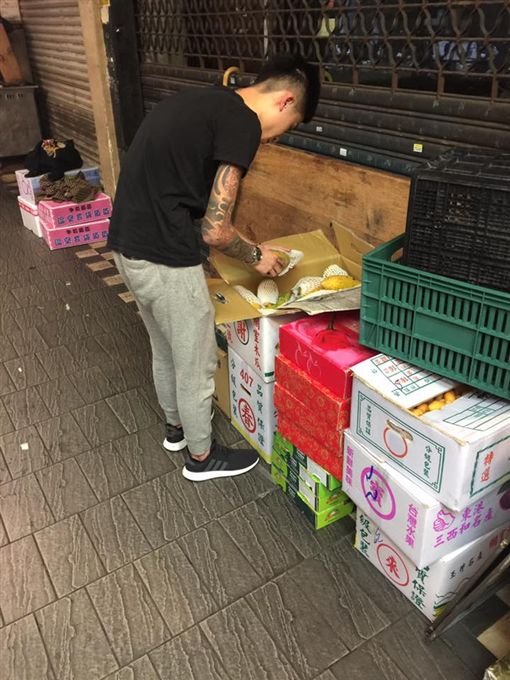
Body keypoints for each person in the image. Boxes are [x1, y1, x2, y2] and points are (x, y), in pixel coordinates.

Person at [107, 54, 321, 482]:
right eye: (290, 126)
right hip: (164, 256)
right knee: (197, 360)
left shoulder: (204, 102)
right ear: (285, 100)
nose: (276, 139)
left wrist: (248, 245)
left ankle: (176, 430)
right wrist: (257, 257)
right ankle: (201, 458)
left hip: (127, 244)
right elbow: (216, 230)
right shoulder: (243, 124)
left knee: (165, 347)